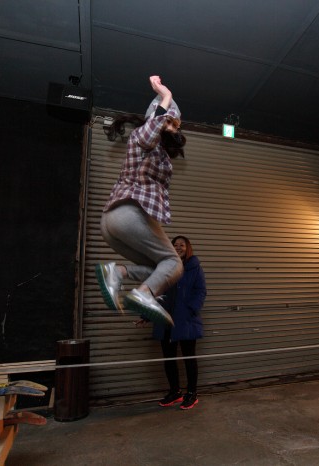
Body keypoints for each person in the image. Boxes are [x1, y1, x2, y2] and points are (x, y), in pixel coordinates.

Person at [96, 76, 187, 326]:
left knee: (162, 269)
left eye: (176, 123)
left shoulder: (156, 150)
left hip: (112, 222)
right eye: (169, 121)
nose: (174, 127)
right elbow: (149, 133)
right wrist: (165, 96)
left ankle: (118, 273)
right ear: (159, 118)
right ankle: (144, 294)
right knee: (174, 263)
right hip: (130, 213)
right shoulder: (143, 137)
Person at [154, 235, 207, 410]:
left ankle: (191, 393)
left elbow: (200, 291)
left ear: (187, 248)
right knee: (169, 359)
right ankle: (175, 392)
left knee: (189, 358)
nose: (178, 247)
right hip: (165, 320)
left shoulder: (194, 267)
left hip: (186, 320)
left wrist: (190, 309)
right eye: (175, 245)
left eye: (182, 245)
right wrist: (147, 314)